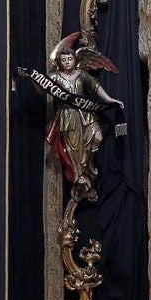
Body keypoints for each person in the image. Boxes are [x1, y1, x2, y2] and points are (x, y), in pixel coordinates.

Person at [45, 42, 123, 194]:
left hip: (86, 114)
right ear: (60, 62)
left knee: (97, 137)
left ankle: (86, 164)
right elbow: (42, 88)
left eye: (70, 59)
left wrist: (109, 99)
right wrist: (31, 78)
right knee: (72, 149)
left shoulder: (82, 74)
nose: (67, 62)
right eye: (64, 60)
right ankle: (79, 174)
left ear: (75, 60)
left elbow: (95, 86)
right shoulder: (54, 77)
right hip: (68, 116)